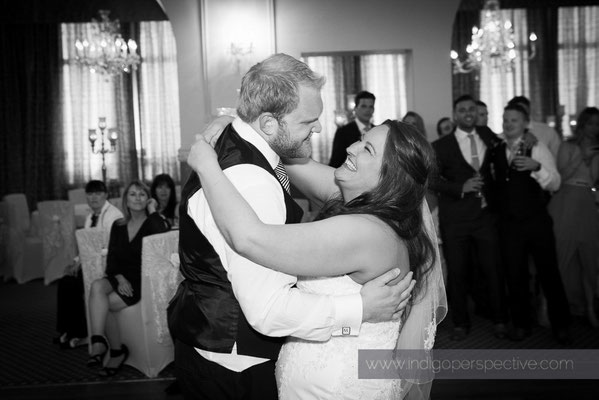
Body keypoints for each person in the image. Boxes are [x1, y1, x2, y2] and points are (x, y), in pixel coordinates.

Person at [167, 54, 414, 400]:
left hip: (325, 371)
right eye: (308, 121)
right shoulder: (254, 183)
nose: (320, 130)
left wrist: (228, 130)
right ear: (269, 123)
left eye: (368, 147)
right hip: (235, 364)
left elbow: (254, 233)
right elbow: (268, 309)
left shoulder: (239, 153)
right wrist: (357, 308)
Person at [189, 119, 446, 399]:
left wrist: (207, 166)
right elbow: (287, 156)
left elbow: (249, 238)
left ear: (390, 178)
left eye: (367, 149)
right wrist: (240, 124)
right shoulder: (361, 200)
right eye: (360, 138)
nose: (351, 147)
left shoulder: (366, 232)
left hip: (338, 387)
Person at [484, 103, 571, 343]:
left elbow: (555, 183)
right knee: (515, 275)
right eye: (505, 119)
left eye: (513, 120)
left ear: (525, 124)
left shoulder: (537, 146)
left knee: (549, 273)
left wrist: (537, 167)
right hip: (509, 225)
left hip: (536, 222)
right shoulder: (496, 146)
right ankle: (521, 324)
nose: (508, 124)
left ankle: (561, 325)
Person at [431, 94, 507, 341]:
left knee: (493, 270)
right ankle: (460, 323)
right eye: (463, 110)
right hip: (456, 220)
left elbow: (507, 152)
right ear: (455, 115)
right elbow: (431, 180)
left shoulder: (489, 137)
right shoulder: (441, 145)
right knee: (458, 272)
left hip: (485, 217)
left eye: (472, 109)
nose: (468, 114)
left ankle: (500, 319)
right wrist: (459, 187)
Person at [87, 180, 170, 376]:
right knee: (97, 286)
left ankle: (115, 351)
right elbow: (112, 258)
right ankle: (99, 339)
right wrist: (120, 278)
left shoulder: (152, 222)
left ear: (147, 199)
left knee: (102, 303)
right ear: (126, 200)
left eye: (142, 194)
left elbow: (163, 234)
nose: (137, 198)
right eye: (133, 194)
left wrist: (152, 209)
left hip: (140, 281)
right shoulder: (118, 224)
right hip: (120, 276)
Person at [54, 180, 123, 349]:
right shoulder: (90, 216)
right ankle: (69, 330)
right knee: (65, 282)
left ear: (106, 195)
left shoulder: (113, 216)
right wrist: (77, 262)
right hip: (92, 264)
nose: (94, 197)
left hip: (109, 266)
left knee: (72, 285)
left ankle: (82, 332)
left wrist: (85, 262)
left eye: (98, 193)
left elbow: (112, 248)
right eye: (90, 194)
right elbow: (86, 246)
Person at [548, 106, 599, 327]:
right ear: (583, 124)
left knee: (590, 259)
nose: (594, 128)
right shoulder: (567, 146)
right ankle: (547, 306)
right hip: (566, 200)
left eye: (598, 124)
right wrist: (582, 157)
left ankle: (590, 309)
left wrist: (592, 160)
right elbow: (561, 176)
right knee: (560, 257)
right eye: (591, 123)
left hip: (587, 202)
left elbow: (594, 180)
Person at [328, 91, 376, 168]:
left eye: (371, 107)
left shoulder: (377, 130)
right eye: (363, 106)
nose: (368, 110)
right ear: (355, 109)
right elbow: (335, 162)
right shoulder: (343, 132)